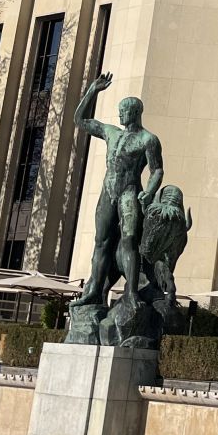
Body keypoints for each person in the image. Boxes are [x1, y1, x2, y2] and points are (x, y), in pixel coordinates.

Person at [73, 73, 164, 307]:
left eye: (123, 110)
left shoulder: (148, 139)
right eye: (120, 110)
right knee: (101, 240)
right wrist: (92, 91)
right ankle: (94, 291)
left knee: (129, 240)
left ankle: (131, 292)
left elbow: (157, 170)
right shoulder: (111, 132)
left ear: (134, 112)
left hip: (129, 191)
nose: (120, 114)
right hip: (108, 191)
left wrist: (150, 191)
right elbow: (80, 120)